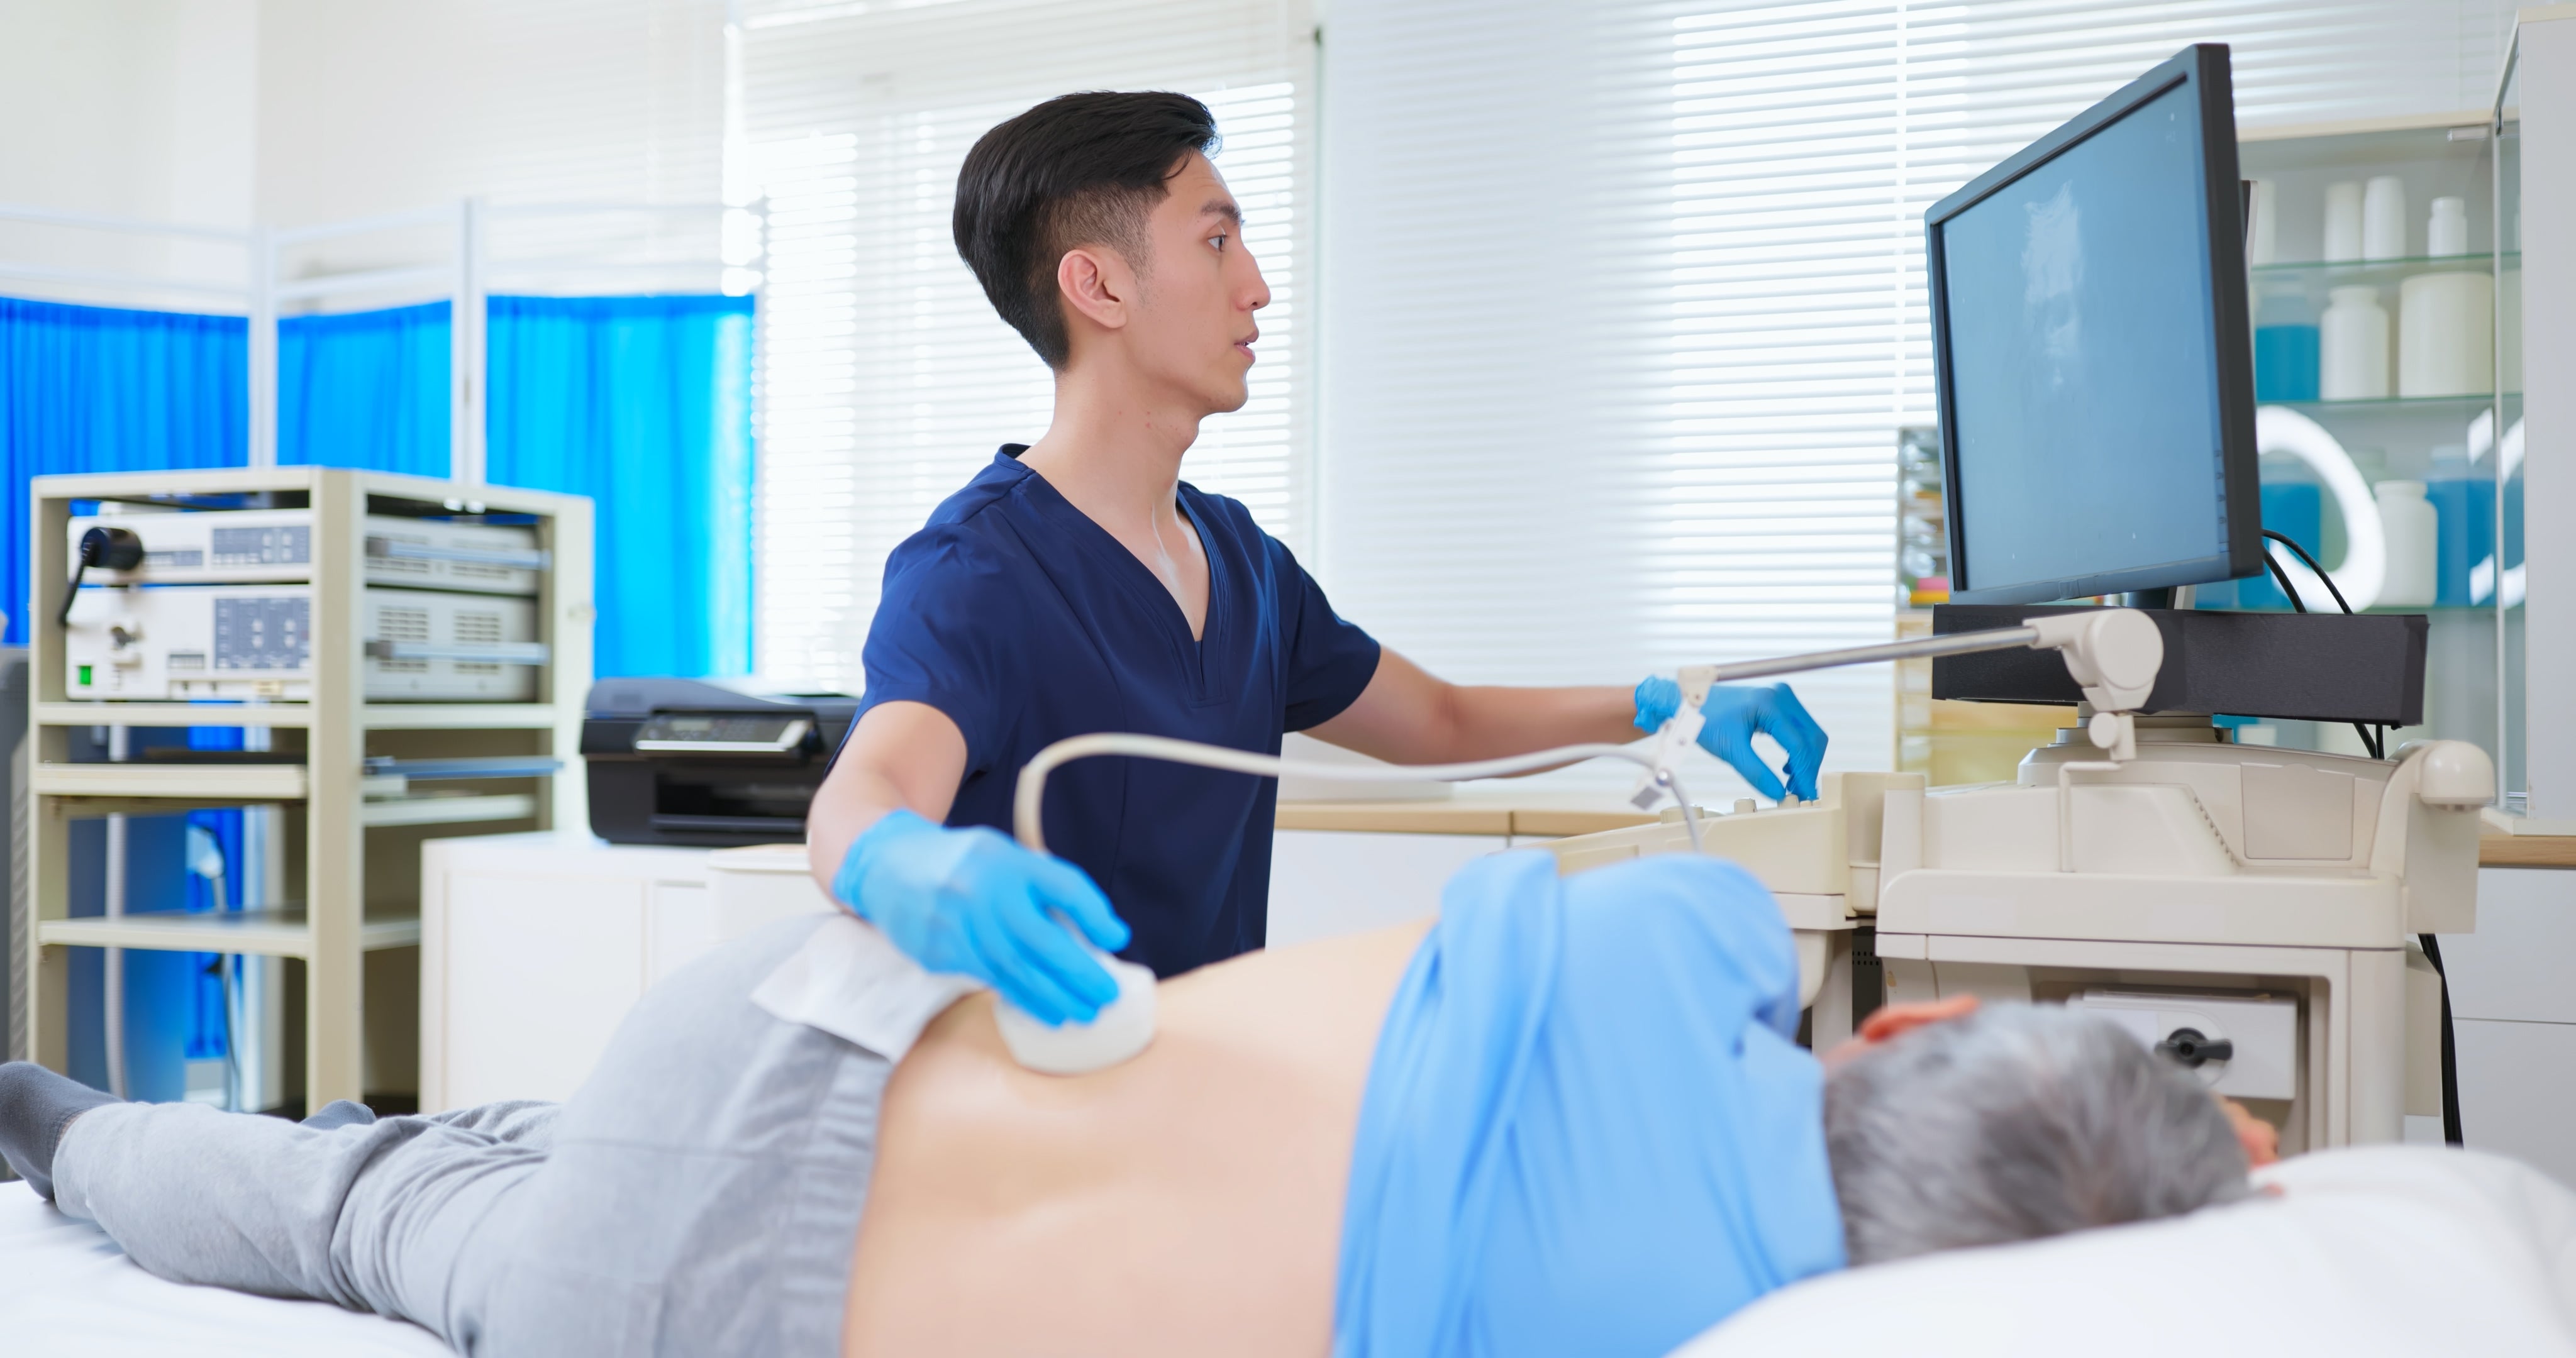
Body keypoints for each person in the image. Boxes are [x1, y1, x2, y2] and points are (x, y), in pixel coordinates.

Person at [0, 853, 2255, 1357]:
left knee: (442, 1153)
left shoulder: (1689, 939)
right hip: (684, 1324)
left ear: (1903, 1036)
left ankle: (56, 1104)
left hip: (793, 1038)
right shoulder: (1678, 1330)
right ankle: (55, 1129)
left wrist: (2177, 1129)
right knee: (385, 1225)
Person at [806, 89, 1830, 1027]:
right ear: (1099, 285)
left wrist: (1667, 708)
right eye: (1217, 242)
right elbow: (867, 790)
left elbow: (1442, 722)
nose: (1256, 287)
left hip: (1203, 1078)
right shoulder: (977, 571)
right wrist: (897, 860)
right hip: (1035, 1096)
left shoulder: (1245, 564)